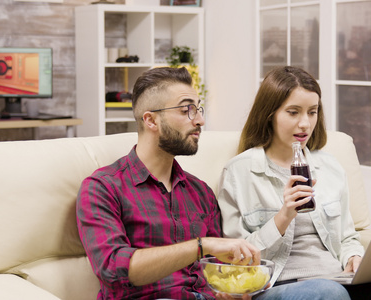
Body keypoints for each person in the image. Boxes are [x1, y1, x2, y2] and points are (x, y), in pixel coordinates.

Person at [217, 66, 371, 300]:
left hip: (335, 278)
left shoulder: (329, 167)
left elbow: (347, 237)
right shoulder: (240, 172)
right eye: (293, 112)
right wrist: (284, 216)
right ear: (269, 115)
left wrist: (353, 258)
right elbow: (236, 259)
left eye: (312, 112)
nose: (305, 124)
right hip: (278, 283)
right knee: (330, 293)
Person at [76, 67, 260, 300]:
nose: (200, 120)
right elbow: (113, 269)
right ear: (151, 120)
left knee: (315, 292)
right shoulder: (102, 188)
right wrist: (202, 245)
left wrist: (229, 288)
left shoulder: (200, 192)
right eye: (187, 110)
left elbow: (216, 269)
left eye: (198, 109)